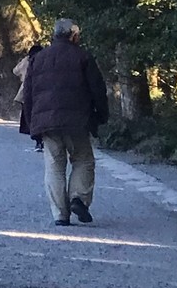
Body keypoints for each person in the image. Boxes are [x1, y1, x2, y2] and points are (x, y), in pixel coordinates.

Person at [19, 17, 112, 226]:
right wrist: (101, 115)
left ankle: (60, 214)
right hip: (77, 120)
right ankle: (78, 197)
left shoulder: (38, 58)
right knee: (83, 160)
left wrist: (32, 121)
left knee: (54, 165)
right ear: (74, 35)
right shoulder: (83, 57)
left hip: (47, 122)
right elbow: (98, 89)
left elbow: (28, 93)